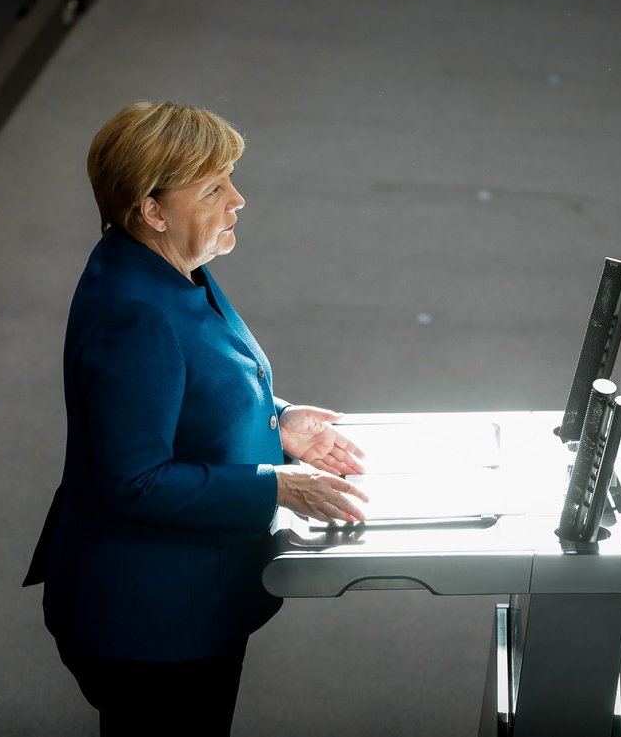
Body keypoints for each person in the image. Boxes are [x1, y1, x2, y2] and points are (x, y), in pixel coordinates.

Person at [22, 101, 368, 735]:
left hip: (181, 603)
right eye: (213, 189)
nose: (238, 200)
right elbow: (136, 480)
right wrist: (276, 485)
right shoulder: (137, 314)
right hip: (150, 624)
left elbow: (198, 387)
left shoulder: (166, 267)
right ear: (153, 210)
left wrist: (279, 420)